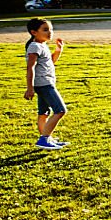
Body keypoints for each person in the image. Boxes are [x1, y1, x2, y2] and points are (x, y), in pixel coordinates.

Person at [24, 17, 69, 150]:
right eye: (45, 30)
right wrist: (29, 88)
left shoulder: (41, 45)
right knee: (60, 110)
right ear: (34, 32)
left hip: (45, 83)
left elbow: (51, 62)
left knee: (44, 112)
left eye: (51, 29)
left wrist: (58, 50)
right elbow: (30, 67)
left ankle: (47, 138)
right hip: (44, 84)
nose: (50, 32)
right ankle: (44, 139)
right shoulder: (34, 46)